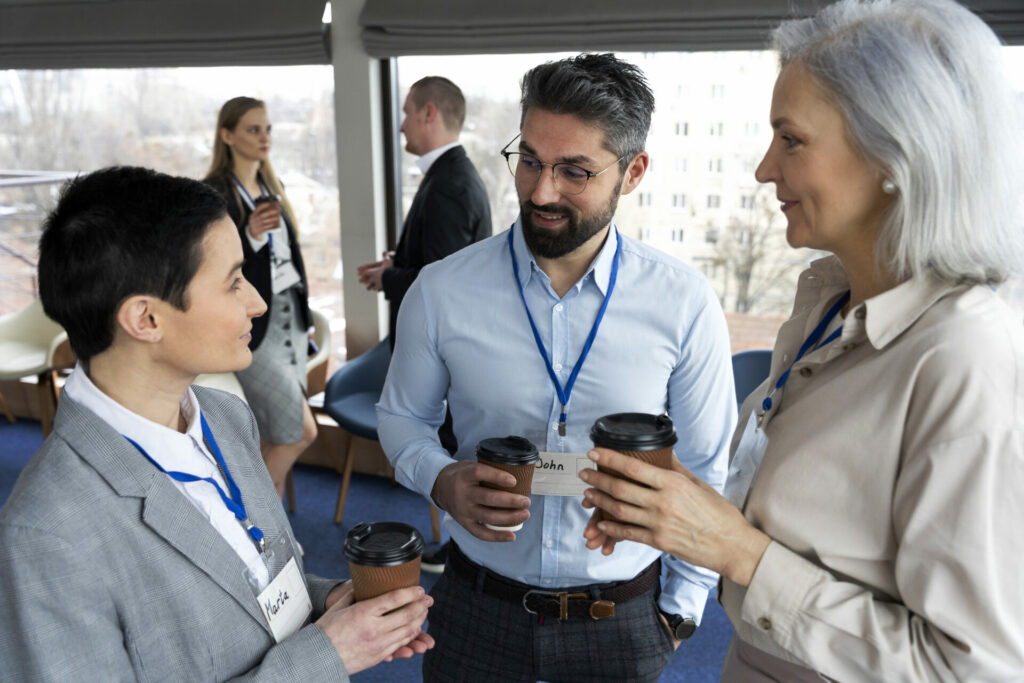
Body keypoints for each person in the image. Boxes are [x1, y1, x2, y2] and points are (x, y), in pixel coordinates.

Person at [579, 1, 1024, 680]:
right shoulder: (830, 305)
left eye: (790, 139)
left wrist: (741, 553)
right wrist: (673, 514)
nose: (763, 168)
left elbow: (971, 669)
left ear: (893, 150)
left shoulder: (966, 357)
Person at [377, 54, 736, 682]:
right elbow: (403, 417)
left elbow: (708, 470)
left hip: (621, 616)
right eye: (531, 161)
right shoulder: (441, 291)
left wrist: (680, 612)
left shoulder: (682, 303)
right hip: (475, 606)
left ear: (633, 173)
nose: (541, 191)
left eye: (575, 171)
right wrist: (440, 480)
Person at [0, 167, 433, 681]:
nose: (256, 301)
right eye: (233, 282)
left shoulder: (226, 417)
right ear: (146, 319)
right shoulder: (47, 534)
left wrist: (331, 604)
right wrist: (327, 656)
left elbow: (249, 585)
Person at [204, 96, 316, 498]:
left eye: (268, 129)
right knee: (298, 432)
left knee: (276, 436)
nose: (264, 137)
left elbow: (291, 255)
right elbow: (213, 266)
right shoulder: (213, 193)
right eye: (253, 129)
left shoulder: (271, 183)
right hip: (254, 321)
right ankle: (256, 526)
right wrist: (249, 235)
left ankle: (278, 538)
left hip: (290, 316)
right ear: (227, 135)